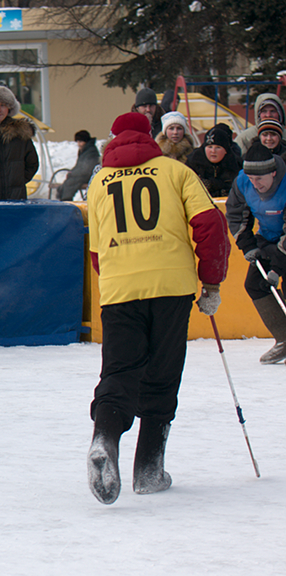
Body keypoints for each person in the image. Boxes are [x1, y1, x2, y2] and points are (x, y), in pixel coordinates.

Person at [85, 112, 229, 505]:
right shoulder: (175, 171)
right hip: (170, 286)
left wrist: (118, 275)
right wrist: (212, 281)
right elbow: (209, 224)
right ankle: (149, 468)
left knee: (119, 371)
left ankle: (105, 438)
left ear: (111, 140)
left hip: (119, 289)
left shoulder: (99, 182)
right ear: (149, 135)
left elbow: (96, 250)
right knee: (162, 373)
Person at [225, 144, 286, 364]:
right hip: (267, 237)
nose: (255, 184)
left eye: (259, 178)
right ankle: (284, 338)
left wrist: (277, 270)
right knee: (254, 284)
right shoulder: (243, 182)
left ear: (273, 173)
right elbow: (236, 214)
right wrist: (247, 244)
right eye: (251, 178)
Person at [186, 123, 242, 198]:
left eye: (218, 147)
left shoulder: (236, 165)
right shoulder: (192, 163)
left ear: (226, 150)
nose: (213, 151)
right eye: (210, 147)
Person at [57, 130, 99, 201]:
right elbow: (79, 166)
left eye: (81, 141)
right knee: (68, 182)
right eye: (78, 142)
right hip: (83, 175)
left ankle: (66, 201)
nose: (79, 144)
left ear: (86, 141)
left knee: (70, 183)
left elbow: (86, 168)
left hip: (88, 176)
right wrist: (72, 172)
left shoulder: (91, 151)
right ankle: (64, 200)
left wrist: (73, 173)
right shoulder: (85, 150)